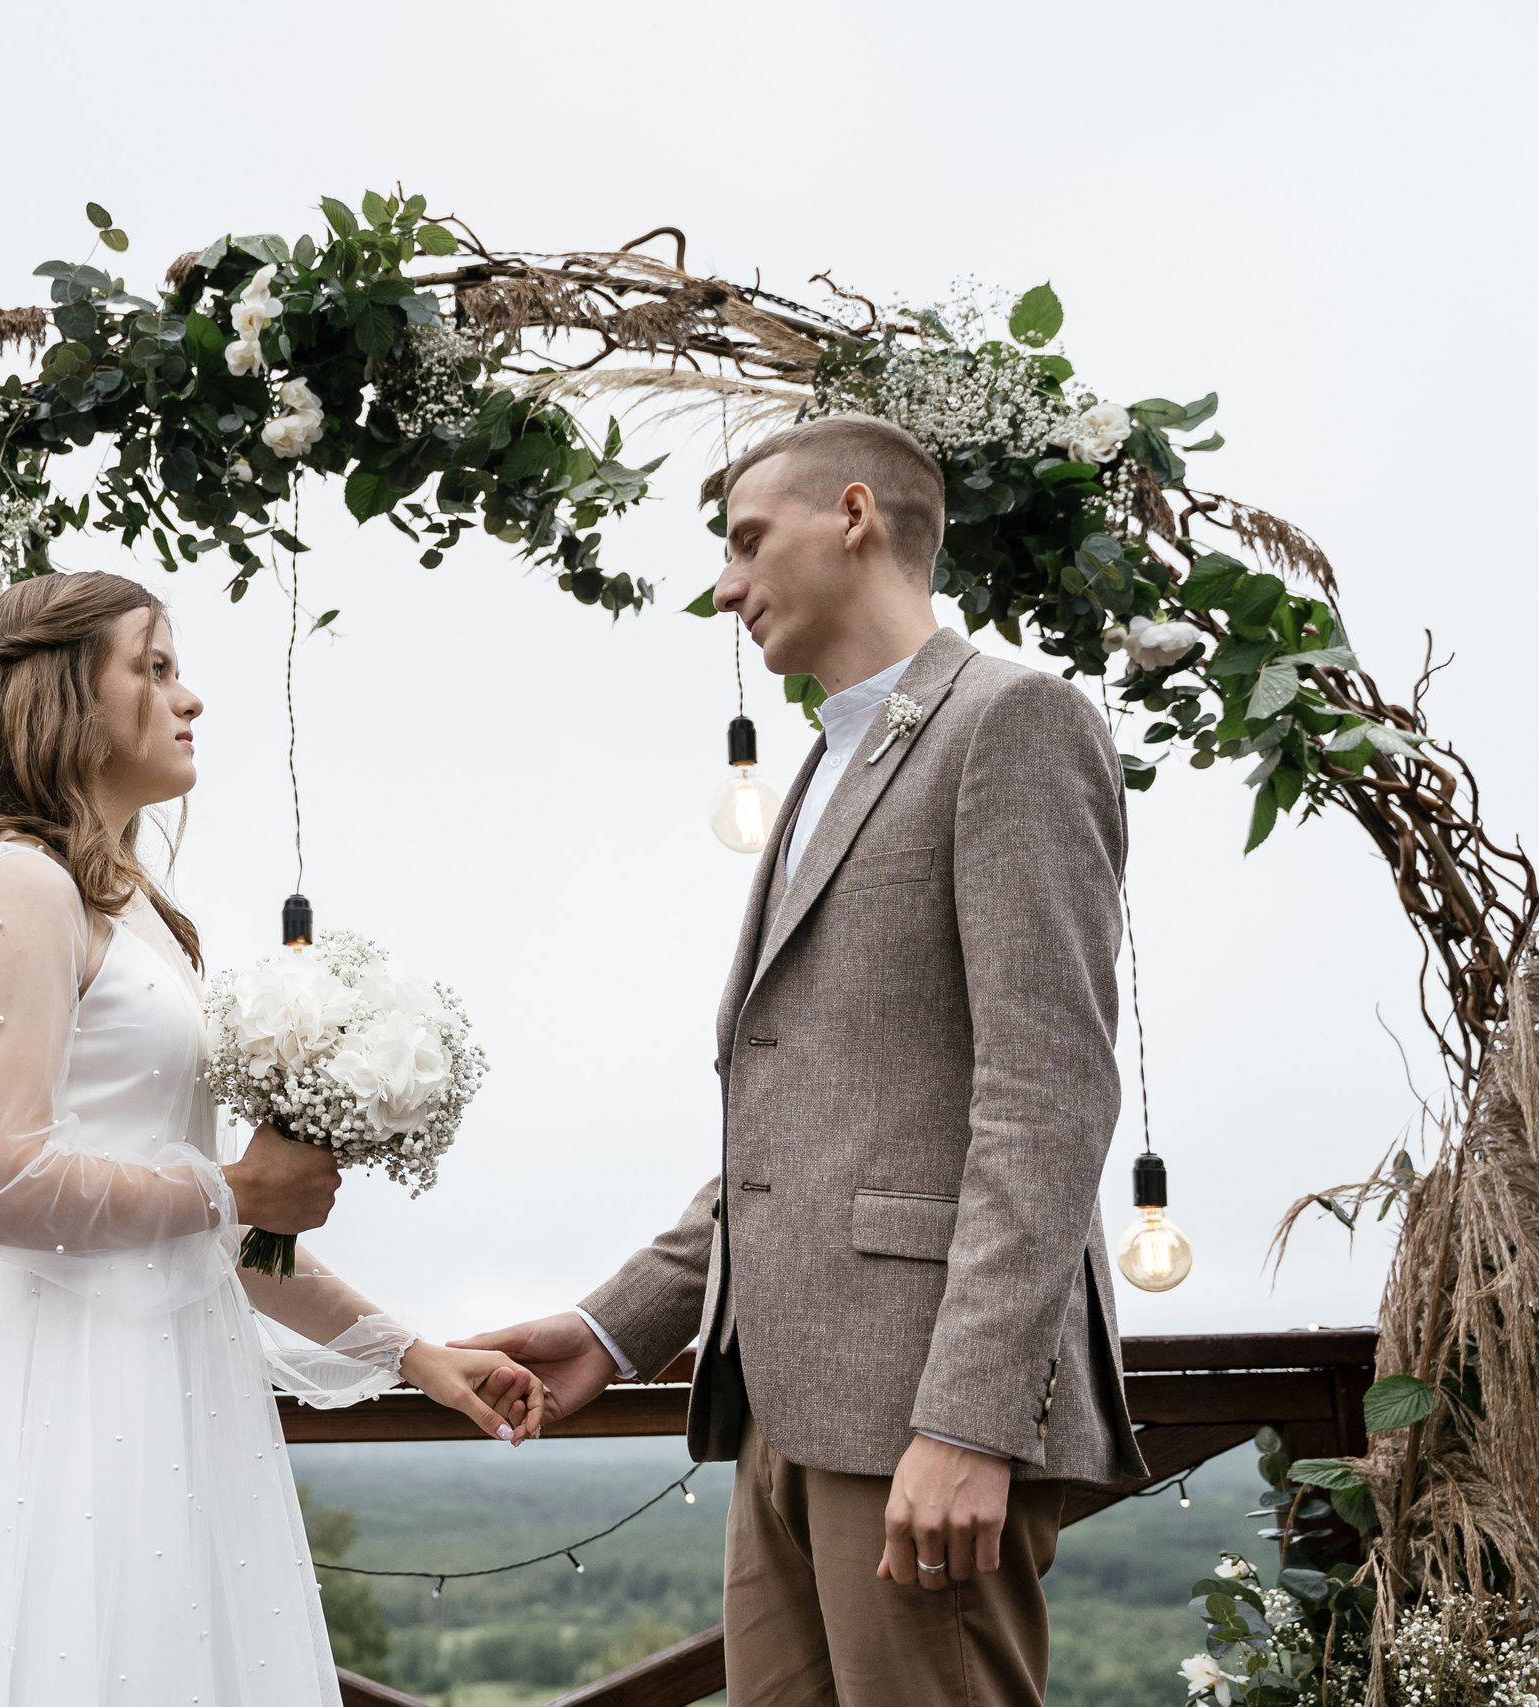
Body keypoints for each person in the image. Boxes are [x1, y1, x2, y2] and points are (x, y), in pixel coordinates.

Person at [0, 570, 543, 1707]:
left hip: (179, 1394)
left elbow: (210, 1226)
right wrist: (235, 1187)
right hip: (65, 1402)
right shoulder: (18, 885)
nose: (187, 698)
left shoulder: (134, 910)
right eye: (152, 669)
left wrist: (413, 1356)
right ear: (63, 698)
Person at [456, 415, 1144, 1707]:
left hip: (923, 1406)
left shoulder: (1014, 723)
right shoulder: (830, 756)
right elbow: (803, 1125)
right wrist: (618, 1323)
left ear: (855, 514)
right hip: (779, 1399)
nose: (725, 586)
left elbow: (1047, 1095)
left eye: (746, 541)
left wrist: (969, 1417)